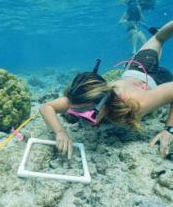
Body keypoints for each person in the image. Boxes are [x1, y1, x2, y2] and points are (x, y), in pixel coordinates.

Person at [40, 20, 173, 159]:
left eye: (87, 116)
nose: (82, 121)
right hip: (132, 70)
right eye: (76, 113)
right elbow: (46, 107)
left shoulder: (135, 104)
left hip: (154, 78)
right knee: (157, 37)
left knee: (159, 37)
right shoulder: (80, 99)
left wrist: (169, 130)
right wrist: (60, 132)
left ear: (103, 104)